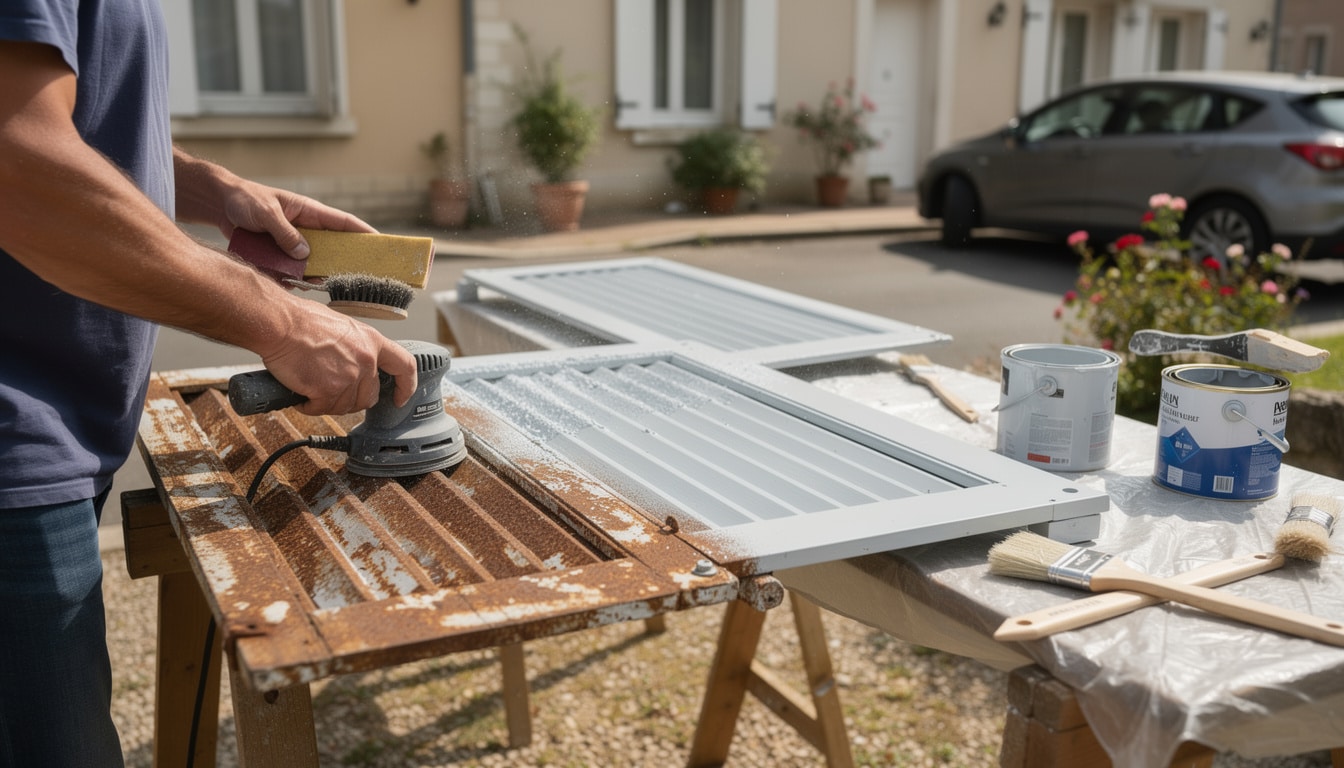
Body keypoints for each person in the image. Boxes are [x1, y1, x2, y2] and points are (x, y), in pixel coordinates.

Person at [0, 3, 417, 766]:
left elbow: (69, 116)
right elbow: (16, 161)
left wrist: (207, 187)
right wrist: (286, 325)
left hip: (59, 422)